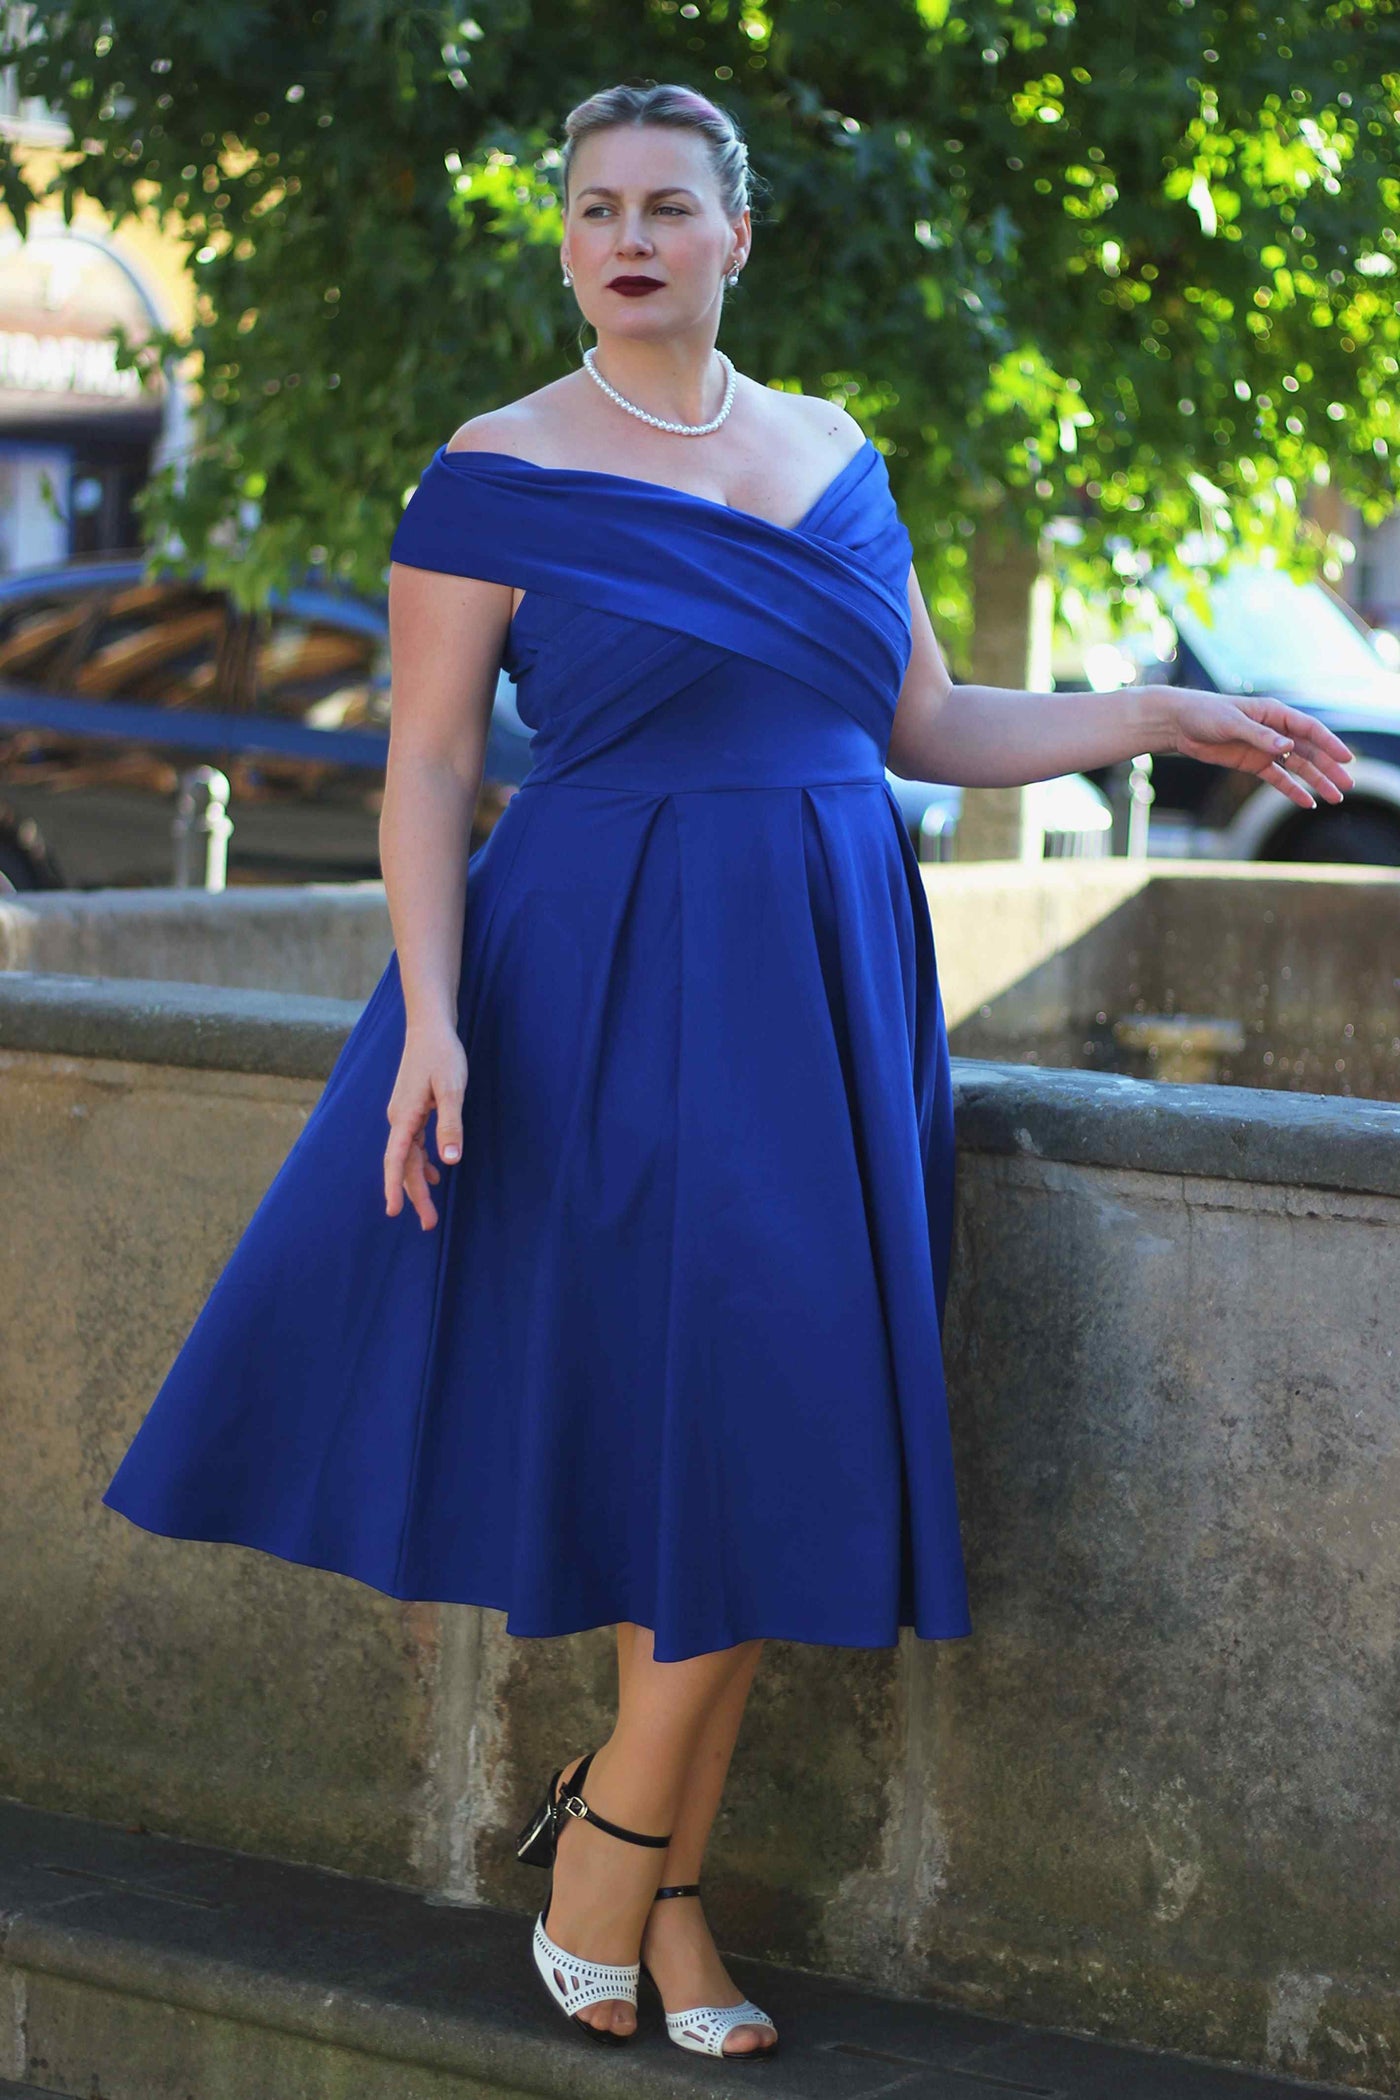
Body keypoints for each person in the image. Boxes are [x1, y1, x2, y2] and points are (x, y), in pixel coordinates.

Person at [102, 80, 1354, 2063]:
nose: (629, 237)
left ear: (735, 234)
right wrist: (431, 1017)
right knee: (696, 1406)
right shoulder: (493, 468)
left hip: (824, 969)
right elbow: (429, 767)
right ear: (566, 241)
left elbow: (924, 723)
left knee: (767, 1405)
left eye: (667, 205)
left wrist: (1157, 709)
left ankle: (634, 1868)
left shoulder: (838, 453)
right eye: (596, 207)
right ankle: (631, 1872)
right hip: (599, 966)